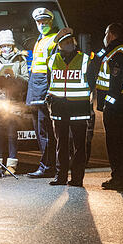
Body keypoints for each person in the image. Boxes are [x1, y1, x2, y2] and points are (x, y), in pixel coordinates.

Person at [45, 28, 92, 187]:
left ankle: (77, 178)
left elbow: (91, 83)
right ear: (59, 45)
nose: (69, 43)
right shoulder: (52, 60)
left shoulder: (84, 59)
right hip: (59, 108)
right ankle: (61, 176)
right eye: (65, 42)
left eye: (71, 40)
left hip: (79, 108)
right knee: (61, 145)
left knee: (79, 146)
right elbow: (49, 82)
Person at [94, 23, 123, 190]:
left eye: (106, 33)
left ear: (111, 34)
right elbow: (96, 61)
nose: (104, 37)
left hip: (118, 105)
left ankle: (120, 177)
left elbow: (116, 84)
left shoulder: (119, 53)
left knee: (116, 142)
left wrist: (107, 105)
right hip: (120, 103)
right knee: (116, 141)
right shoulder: (116, 49)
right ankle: (119, 176)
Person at [0, 29, 29, 177]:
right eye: (3, 46)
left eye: (8, 45)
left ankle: (11, 165)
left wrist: (14, 77)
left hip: (14, 101)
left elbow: (26, 80)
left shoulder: (20, 59)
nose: (6, 48)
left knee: (12, 134)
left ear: (13, 45)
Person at [26, 7, 59, 178]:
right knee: (41, 132)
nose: (42, 24)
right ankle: (47, 165)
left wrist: (48, 94)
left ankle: (48, 167)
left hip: (44, 93)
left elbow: (54, 70)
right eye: (39, 22)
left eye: (45, 22)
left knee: (45, 132)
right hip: (36, 92)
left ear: (51, 22)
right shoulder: (40, 40)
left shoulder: (53, 40)